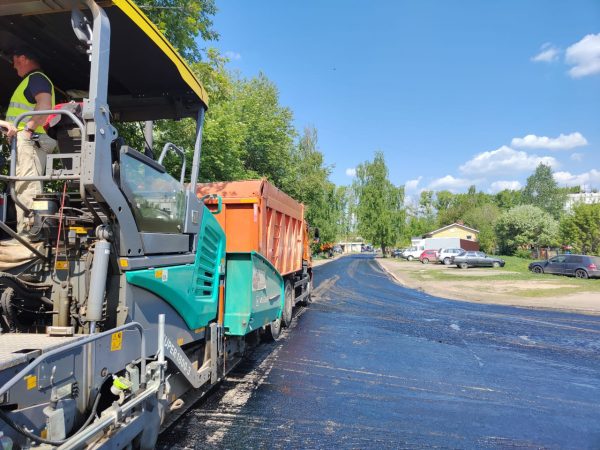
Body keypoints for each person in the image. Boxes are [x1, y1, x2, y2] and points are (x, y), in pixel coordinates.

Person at [4, 46, 56, 233]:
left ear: (23, 58)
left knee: (27, 189)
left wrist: (26, 130)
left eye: (14, 60)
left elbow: (44, 104)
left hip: (29, 141)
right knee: (22, 188)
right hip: (28, 141)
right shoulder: (33, 80)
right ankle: (28, 232)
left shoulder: (36, 78)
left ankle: (29, 236)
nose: (13, 66)